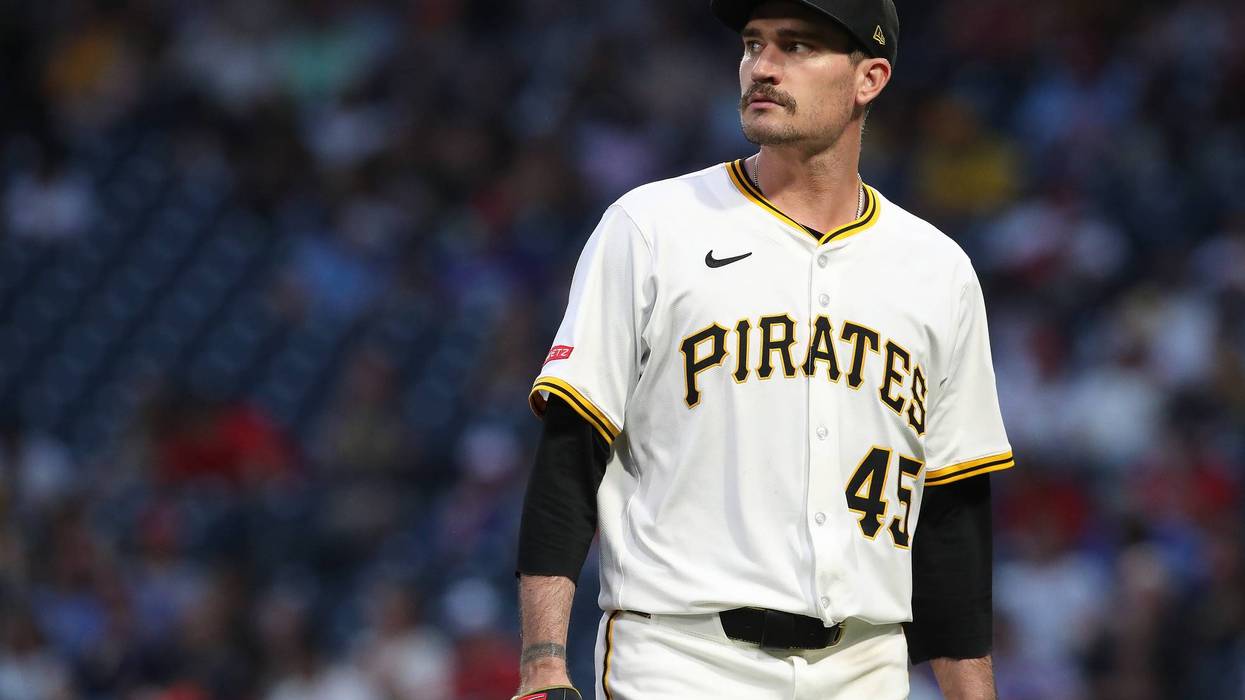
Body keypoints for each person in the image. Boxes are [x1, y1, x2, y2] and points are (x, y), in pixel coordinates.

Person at [514, 1, 1013, 698]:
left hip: (865, 666)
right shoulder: (652, 227)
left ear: (868, 78)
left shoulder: (937, 269)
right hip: (680, 659)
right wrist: (541, 663)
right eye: (754, 44)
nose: (763, 67)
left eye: (798, 47)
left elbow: (951, 515)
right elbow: (570, 460)